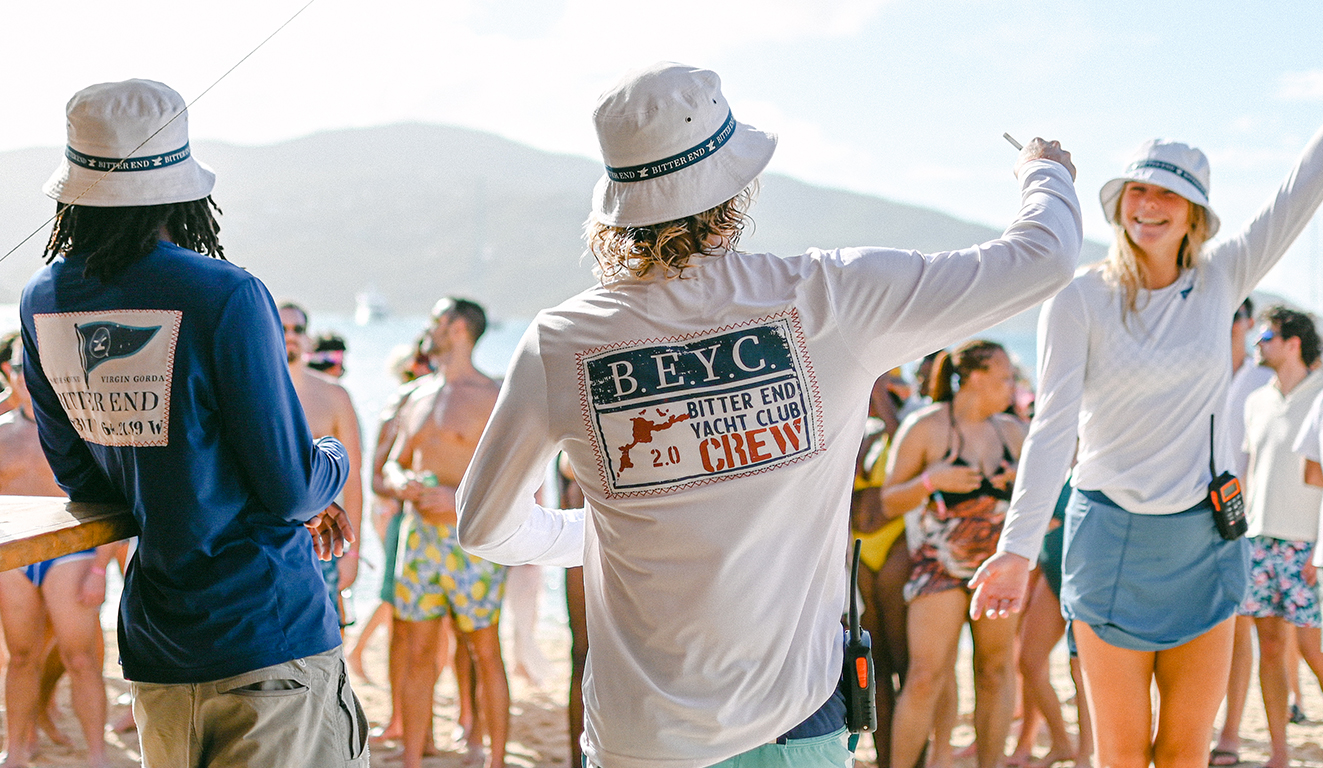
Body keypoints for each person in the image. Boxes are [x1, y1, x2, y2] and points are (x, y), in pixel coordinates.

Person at [455, 61, 1081, 768]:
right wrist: (1044, 173)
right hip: (793, 727)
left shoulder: (562, 339)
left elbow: (485, 526)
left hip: (640, 740)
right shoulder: (828, 297)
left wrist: (604, 533)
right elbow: (1042, 258)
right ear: (734, 189)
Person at [18, 79, 366, 767]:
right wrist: (328, 459)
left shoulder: (42, 299)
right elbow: (294, 488)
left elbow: (85, 481)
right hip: (265, 632)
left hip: (157, 644)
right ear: (181, 191)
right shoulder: (223, 292)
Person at [971, 125, 1323, 768]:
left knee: (1185, 751)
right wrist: (1016, 551)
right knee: (1123, 754)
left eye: (1168, 194)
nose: (1149, 205)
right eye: (1137, 190)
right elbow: (1052, 429)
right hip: (1108, 540)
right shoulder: (1080, 298)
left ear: (1195, 215)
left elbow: (1299, 192)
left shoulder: (1223, 276)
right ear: (1118, 203)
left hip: (1206, 539)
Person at [884, 341, 1027, 768]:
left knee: (995, 671)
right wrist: (931, 481)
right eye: (1005, 378)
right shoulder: (925, 427)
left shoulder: (1013, 432)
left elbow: (1047, 491)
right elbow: (890, 500)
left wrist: (1018, 480)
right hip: (938, 566)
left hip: (997, 567)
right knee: (925, 677)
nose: (1013, 387)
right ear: (976, 378)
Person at [382, 297, 508, 768]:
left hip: (471, 539)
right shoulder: (418, 395)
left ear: (457, 328)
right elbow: (392, 462)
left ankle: (496, 761)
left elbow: (516, 477)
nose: (428, 328)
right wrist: (399, 480)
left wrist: (457, 499)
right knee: (418, 652)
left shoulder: (494, 396)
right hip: (418, 539)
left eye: (436, 320)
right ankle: (413, 760)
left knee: (484, 651)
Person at [0, 339, 114, 768]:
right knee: (21, 658)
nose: (26, 377)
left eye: (35, 369)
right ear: (8, 373)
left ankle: (98, 755)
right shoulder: (2, 431)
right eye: (18, 368)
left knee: (81, 658)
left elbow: (112, 499)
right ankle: (16, 751)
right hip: (14, 556)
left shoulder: (78, 429)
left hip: (71, 554)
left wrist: (100, 569)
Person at [1237, 307, 1323, 768]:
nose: (1258, 344)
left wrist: (1319, 549)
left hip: (1308, 546)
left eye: (1267, 337)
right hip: (1259, 541)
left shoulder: (1322, 395)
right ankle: (1279, 753)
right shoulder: (1256, 401)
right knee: (1269, 650)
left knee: (1314, 650)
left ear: (1293, 344)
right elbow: (1251, 474)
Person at [1213, 297, 1277, 765]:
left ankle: (1231, 733)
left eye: (1235, 316)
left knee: (1238, 629)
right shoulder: (1200, 367)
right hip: (1190, 510)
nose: (1228, 324)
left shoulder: (1264, 378)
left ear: (1249, 322)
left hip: (1243, 520)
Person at [279, 302, 364, 631]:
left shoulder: (334, 396)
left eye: (298, 329)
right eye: (282, 328)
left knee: (327, 638)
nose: (291, 336)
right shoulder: (250, 389)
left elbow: (352, 479)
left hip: (323, 541)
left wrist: (352, 554)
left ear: (308, 338)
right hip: (268, 541)